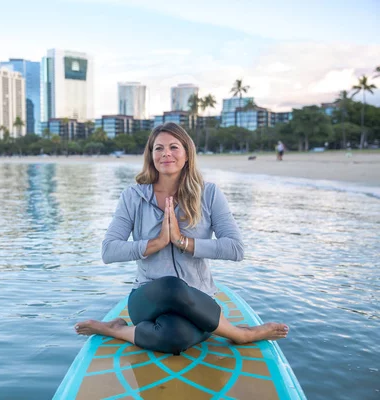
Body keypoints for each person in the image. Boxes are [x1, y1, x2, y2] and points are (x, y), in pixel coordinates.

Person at [75, 122, 288, 355]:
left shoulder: (209, 194)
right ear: (151, 156)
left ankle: (116, 329)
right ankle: (241, 334)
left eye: (174, 147)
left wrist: (183, 241)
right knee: (171, 285)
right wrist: (156, 243)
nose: (166, 153)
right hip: (148, 299)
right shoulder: (132, 197)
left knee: (176, 338)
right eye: (158, 148)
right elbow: (109, 251)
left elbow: (236, 248)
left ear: (187, 154)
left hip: (198, 301)